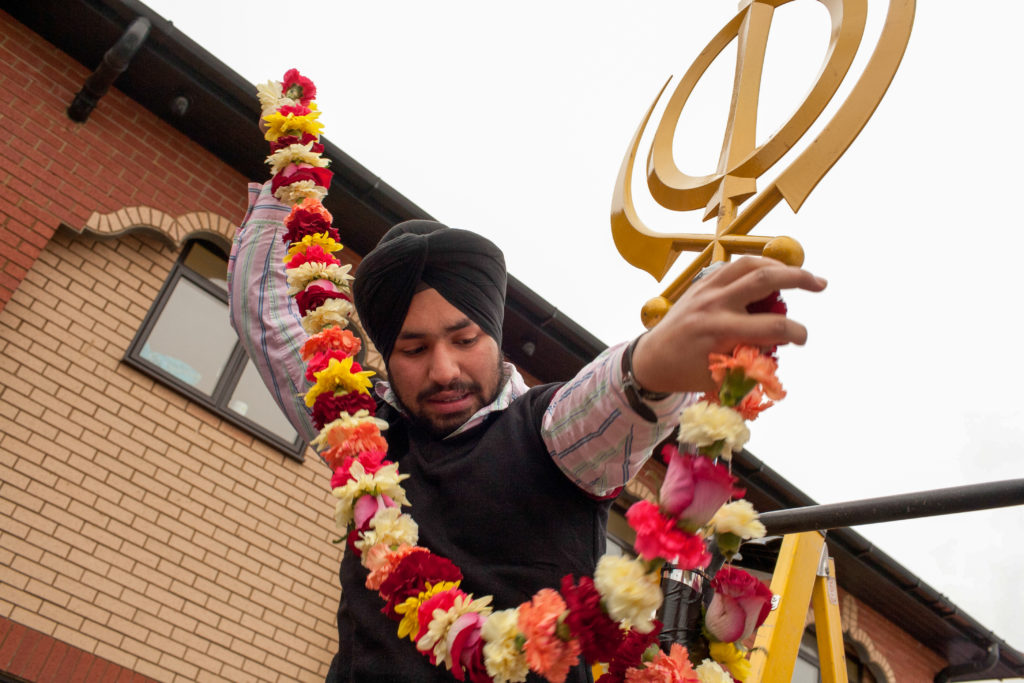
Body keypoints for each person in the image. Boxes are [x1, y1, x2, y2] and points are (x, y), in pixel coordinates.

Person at [228, 181, 826, 682]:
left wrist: (652, 363)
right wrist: (290, 182)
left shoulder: (548, 433)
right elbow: (269, 321)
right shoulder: (361, 433)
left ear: (495, 336)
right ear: (386, 359)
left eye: (464, 340)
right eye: (414, 350)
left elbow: (611, 397)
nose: (444, 370)